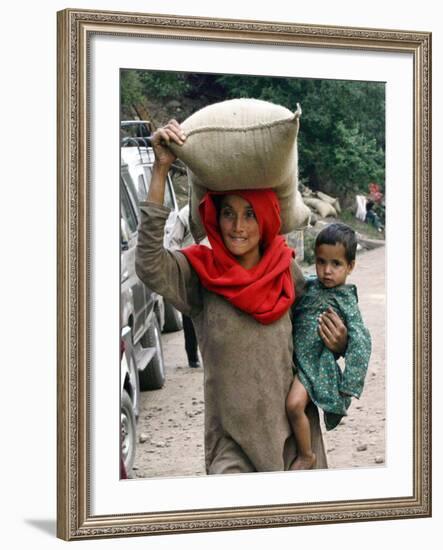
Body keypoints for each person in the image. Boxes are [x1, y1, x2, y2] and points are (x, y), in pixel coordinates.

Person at [135, 119, 348, 474]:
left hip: (293, 443)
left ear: (265, 218)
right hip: (230, 446)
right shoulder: (198, 274)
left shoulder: (287, 271)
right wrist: (160, 170)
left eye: (250, 214)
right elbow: (148, 264)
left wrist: (338, 344)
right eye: (229, 213)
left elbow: (316, 339)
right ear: (215, 218)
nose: (238, 226)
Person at [286, 223, 372, 470]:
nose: (326, 271)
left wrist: (349, 385)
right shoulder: (309, 286)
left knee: (293, 406)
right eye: (321, 262)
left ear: (350, 266)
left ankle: (306, 454)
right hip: (292, 359)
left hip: (312, 366)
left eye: (336, 264)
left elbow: (361, 341)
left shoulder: (346, 300)